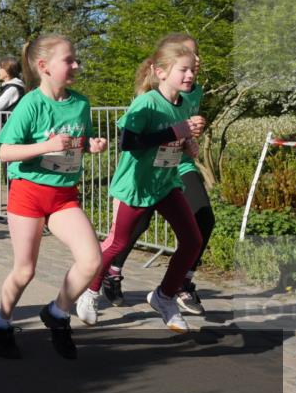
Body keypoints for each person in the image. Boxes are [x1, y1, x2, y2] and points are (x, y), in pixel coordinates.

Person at [76, 40, 206, 333]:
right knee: (118, 243)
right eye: (183, 70)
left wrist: (187, 145)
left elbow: (176, 139)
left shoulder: (184, 104)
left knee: (192, 241)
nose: (190, 75)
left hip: (165, 183)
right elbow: (128, 142)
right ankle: (90, 291)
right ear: (161, 72)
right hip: (135, 185)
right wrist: (174, 132)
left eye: (192, 70)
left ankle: (164, 297)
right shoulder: (146, 102)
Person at [0, 35, 108, 359]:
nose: (76, 65)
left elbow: (78, 143)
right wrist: (47, 145)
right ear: (44, 66)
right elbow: (5, 152)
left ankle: (57, 313)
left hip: (63, 196)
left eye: (76, 59)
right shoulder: (31, 104)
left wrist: (91, 145)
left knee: (92, 260)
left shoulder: (80, 104)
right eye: (69, 60)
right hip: (29, 193)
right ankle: (1, 323)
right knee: (24, 271)